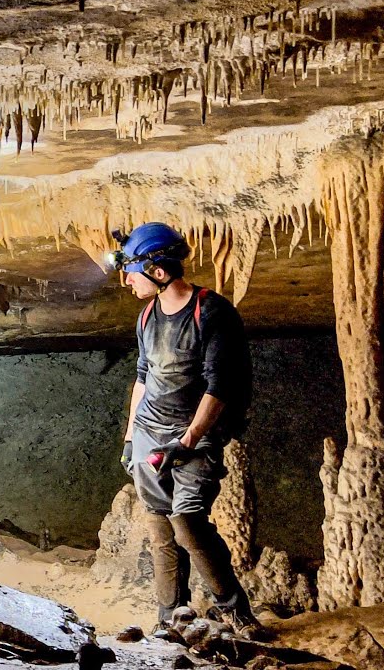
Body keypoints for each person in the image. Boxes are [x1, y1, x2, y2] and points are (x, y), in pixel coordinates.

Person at [105, 222, 267, 641]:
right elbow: (143, 378)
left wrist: (189, 440)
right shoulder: (147, 316)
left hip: (195, 436)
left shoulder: (211, 312)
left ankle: (235, 611)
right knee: (160, 528)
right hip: (149, 433)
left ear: (158, 271)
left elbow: (220, 387)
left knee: (188, 521)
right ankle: (170, 617)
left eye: (132, 272)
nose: (126, 281)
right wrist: (130, 438)